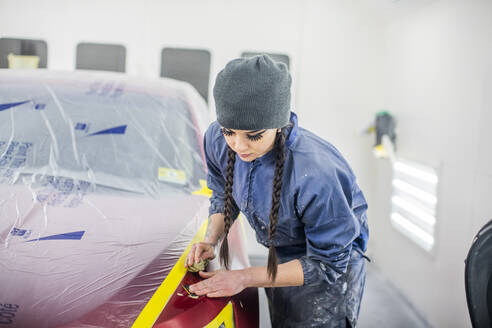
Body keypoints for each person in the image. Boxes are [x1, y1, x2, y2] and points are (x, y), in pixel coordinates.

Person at [185, 54, 369, 328]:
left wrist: (244, 277)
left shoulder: (318, 172)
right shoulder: (217, 140)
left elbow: (328, 264)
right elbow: (224, 196)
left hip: (327, 269)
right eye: (229, 131)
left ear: (279, 123)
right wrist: (210, 240)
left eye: (254, 135)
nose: (239, 145)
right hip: (279, 254)